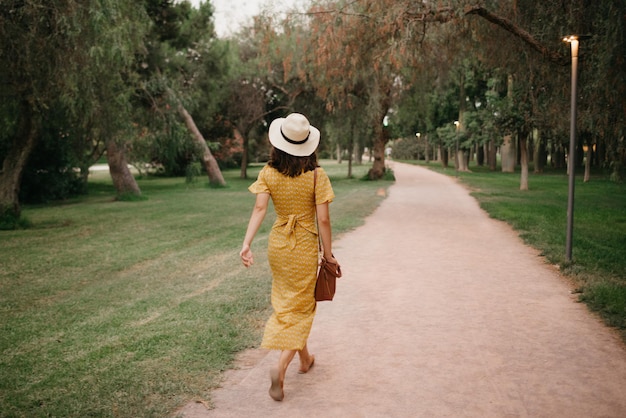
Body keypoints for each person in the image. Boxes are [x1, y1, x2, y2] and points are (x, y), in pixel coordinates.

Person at [239, 112, 336, 401]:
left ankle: (304, 360)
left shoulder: (268, 173)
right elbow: (324, 221)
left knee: (289, 304)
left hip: (279, 244)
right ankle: (280, 369)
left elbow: (259, 210)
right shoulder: (317, 175)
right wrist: (327, 256)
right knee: (303, 307)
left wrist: (246, 243)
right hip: (304, 245)